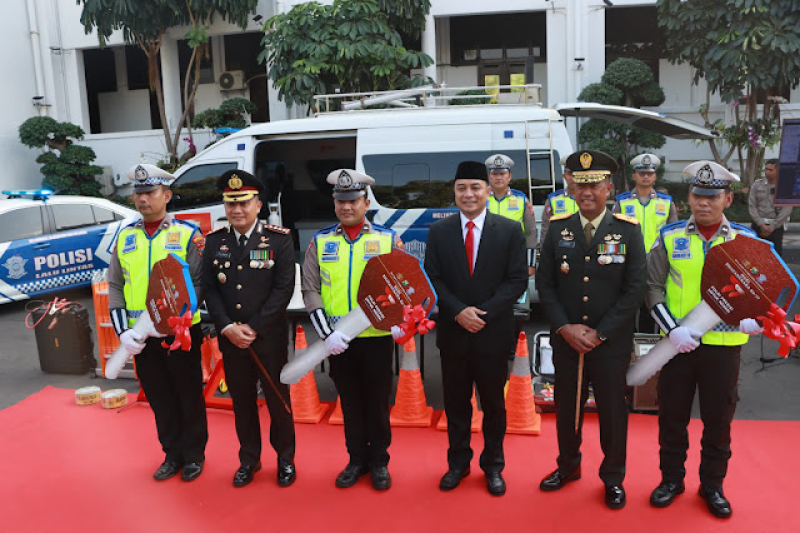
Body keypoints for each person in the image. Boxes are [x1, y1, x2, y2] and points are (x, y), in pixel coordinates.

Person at [646, 160, 762, 519]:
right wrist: (672, 329)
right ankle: (671, 480)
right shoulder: (669, 236)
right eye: (698, 195)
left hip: (724, 349)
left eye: (713, 197)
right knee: (671, 417)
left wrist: (755, 317)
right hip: (677, 345)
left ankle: (712, 485)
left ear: (728, 199)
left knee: (718, 421)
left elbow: (762, 291)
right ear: (689, 197)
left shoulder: (746, 239)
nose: (704, 203)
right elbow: (651, 289)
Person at [537, 150, 647, 510]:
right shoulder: (558, 228)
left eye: (595, 185)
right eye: (580, 184)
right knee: (567, 407)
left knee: (614, 411)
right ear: (571, 186)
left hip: (610, 343)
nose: (587, 192)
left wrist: (599, 334)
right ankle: (567, 466)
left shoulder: (628, 231)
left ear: (609, 188)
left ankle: (613, 477)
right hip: (567, 340)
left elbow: (634, 290)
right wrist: (566, 328)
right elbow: (546, 284)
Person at [424, 161, 527, 496]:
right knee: (455, 404)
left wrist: (482, 313)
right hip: (454, 334)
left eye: (475, 187)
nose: (468, 194)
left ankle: (493, 466)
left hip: (493, 333)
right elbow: (433, 277)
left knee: (494, 406)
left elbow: (516, 281)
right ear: (454, 192)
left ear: (487, 191)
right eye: (461, 188)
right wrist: (457, 312)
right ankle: (458, 464)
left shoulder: (509, 230)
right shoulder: (439, 232)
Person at [301, 169, 403, 491]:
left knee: (376, 403)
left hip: (375, 339)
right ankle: (356, 460)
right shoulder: (320, 242)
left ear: (366, 202)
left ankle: (379, 463)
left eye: (354, 201)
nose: (347, 207)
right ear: (335, 204)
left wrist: (401, 322)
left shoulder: (388, 239)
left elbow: (404, 286)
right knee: (350, 403)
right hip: (338, 342)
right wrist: (326, 334)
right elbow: (310, 290)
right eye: (341, 201)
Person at [107, 164, 208, 482]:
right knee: (160, 398)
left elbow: (201, 284)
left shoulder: (187, 234)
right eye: (138, 193)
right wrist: (123, 330)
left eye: (150, 193)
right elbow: (114, 286)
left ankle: (193, 456)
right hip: (140, 337)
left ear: (167, 195)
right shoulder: (125, 237)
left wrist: (178, 319)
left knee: (188, 395)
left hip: (179, 333)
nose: (142, 199)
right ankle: (171, 454)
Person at [203, 170, 297, 488]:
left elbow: (283, 289)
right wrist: (227, 326)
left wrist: (253, 328)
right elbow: (210, 290)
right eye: (231, 204)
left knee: (277, 401)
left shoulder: (279, 239)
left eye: (244, 203)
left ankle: (285, 459)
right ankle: (249, 459)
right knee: (242, 403)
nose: (237, 210)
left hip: (268, 338)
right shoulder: (215, 242)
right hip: (231, 340)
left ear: (258, 204)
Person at [613, 153, 678, 333]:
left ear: (655, 176)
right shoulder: (622, 202)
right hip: (629, 263)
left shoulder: (667, 203)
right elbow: (612, 234)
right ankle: (628, 347)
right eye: (641, 173)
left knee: (651, 307)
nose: (646, 176)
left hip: (656, 263)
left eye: (649, 173)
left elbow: (673, 234)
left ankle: (647, 347)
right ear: (634, 176)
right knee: (627, 306)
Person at [485, 154, 537, 275]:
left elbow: (531, 232)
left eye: (502, 174)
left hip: (514, 258)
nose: (499, 178)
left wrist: (531, 264)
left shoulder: (522, 199)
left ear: (509, 176)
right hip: (486, 260)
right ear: (489, 177)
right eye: (495, 174)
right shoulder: (480, 199)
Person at [749, 158, 792, 256]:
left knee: (775, 257)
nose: (766, 172)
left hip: (775, 228)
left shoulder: (785, 188)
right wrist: (760, 224)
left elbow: (786, 210)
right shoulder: (758, 185)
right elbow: (752, 206)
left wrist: (772, 227)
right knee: (755, 256)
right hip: (758, 225)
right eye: (766, 169)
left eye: (770, 170)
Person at [540, 158, 578, 247]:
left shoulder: (590, 197)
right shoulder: (553, 199)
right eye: (570, 174)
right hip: (560, 248)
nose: (573, 178)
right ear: (564, 176)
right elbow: (546, 228)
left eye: (576, 174)